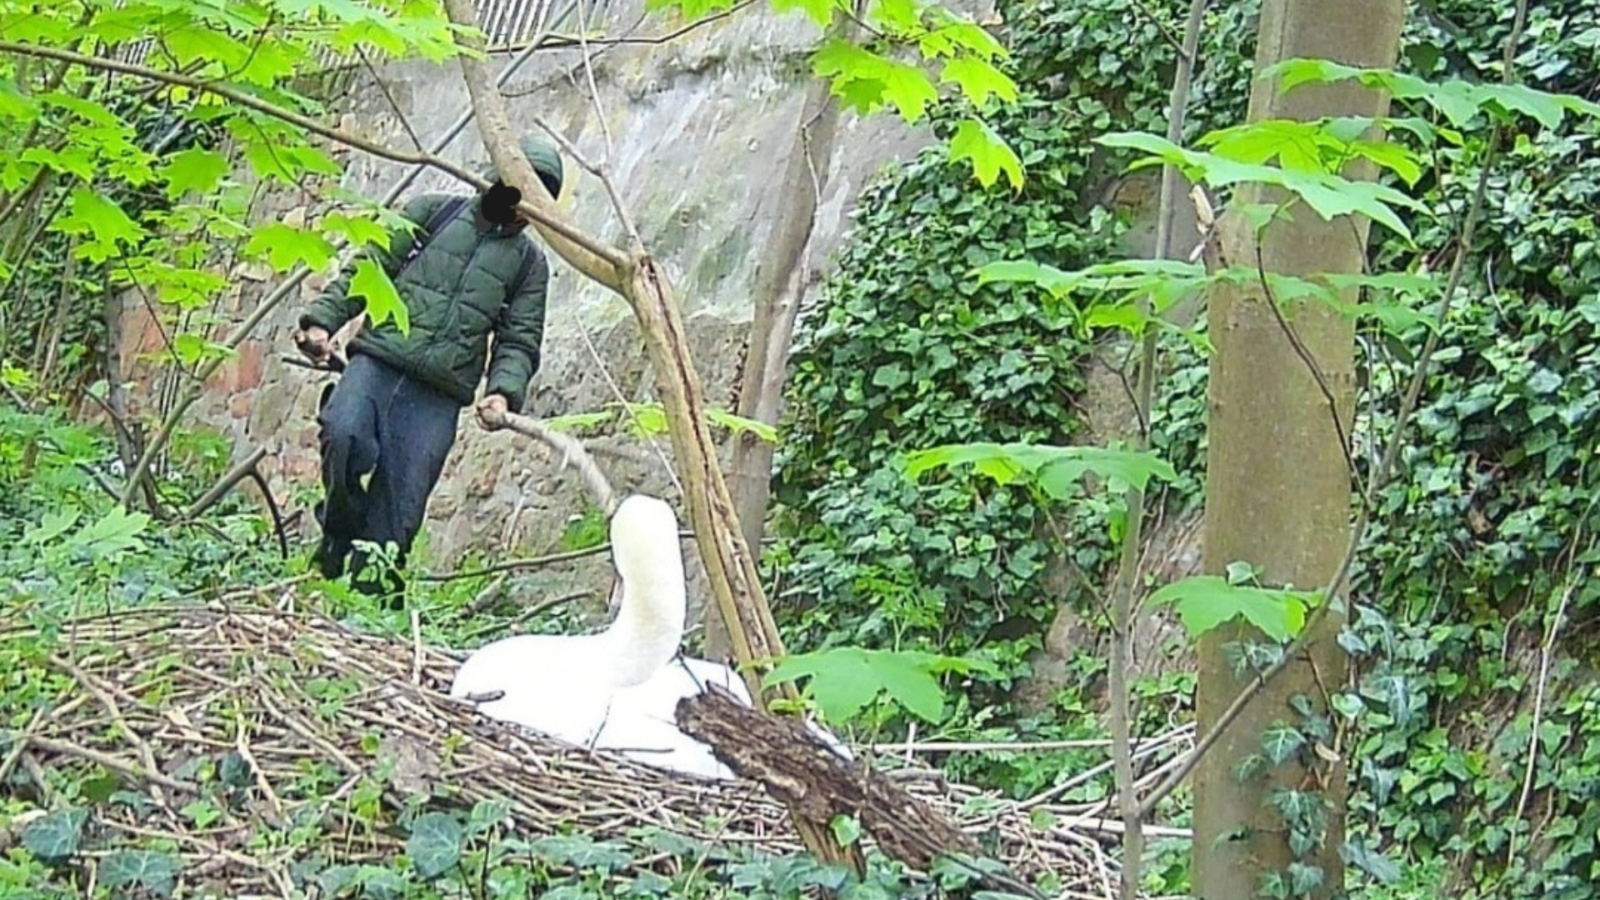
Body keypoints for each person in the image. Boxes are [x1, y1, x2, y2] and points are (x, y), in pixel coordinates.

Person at [291, 135, 565, 601]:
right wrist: (322, 322)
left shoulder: (528, 266)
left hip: (437, 396)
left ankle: (368, 608)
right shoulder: (433, 212)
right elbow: (370, 267)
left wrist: (503, 390)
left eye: (533, 196)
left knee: (400, 510)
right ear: (497, 178)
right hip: (376, 361)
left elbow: (519, 340)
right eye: (515, 186)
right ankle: (337, 534)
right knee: (343, 433)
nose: (519, 202)